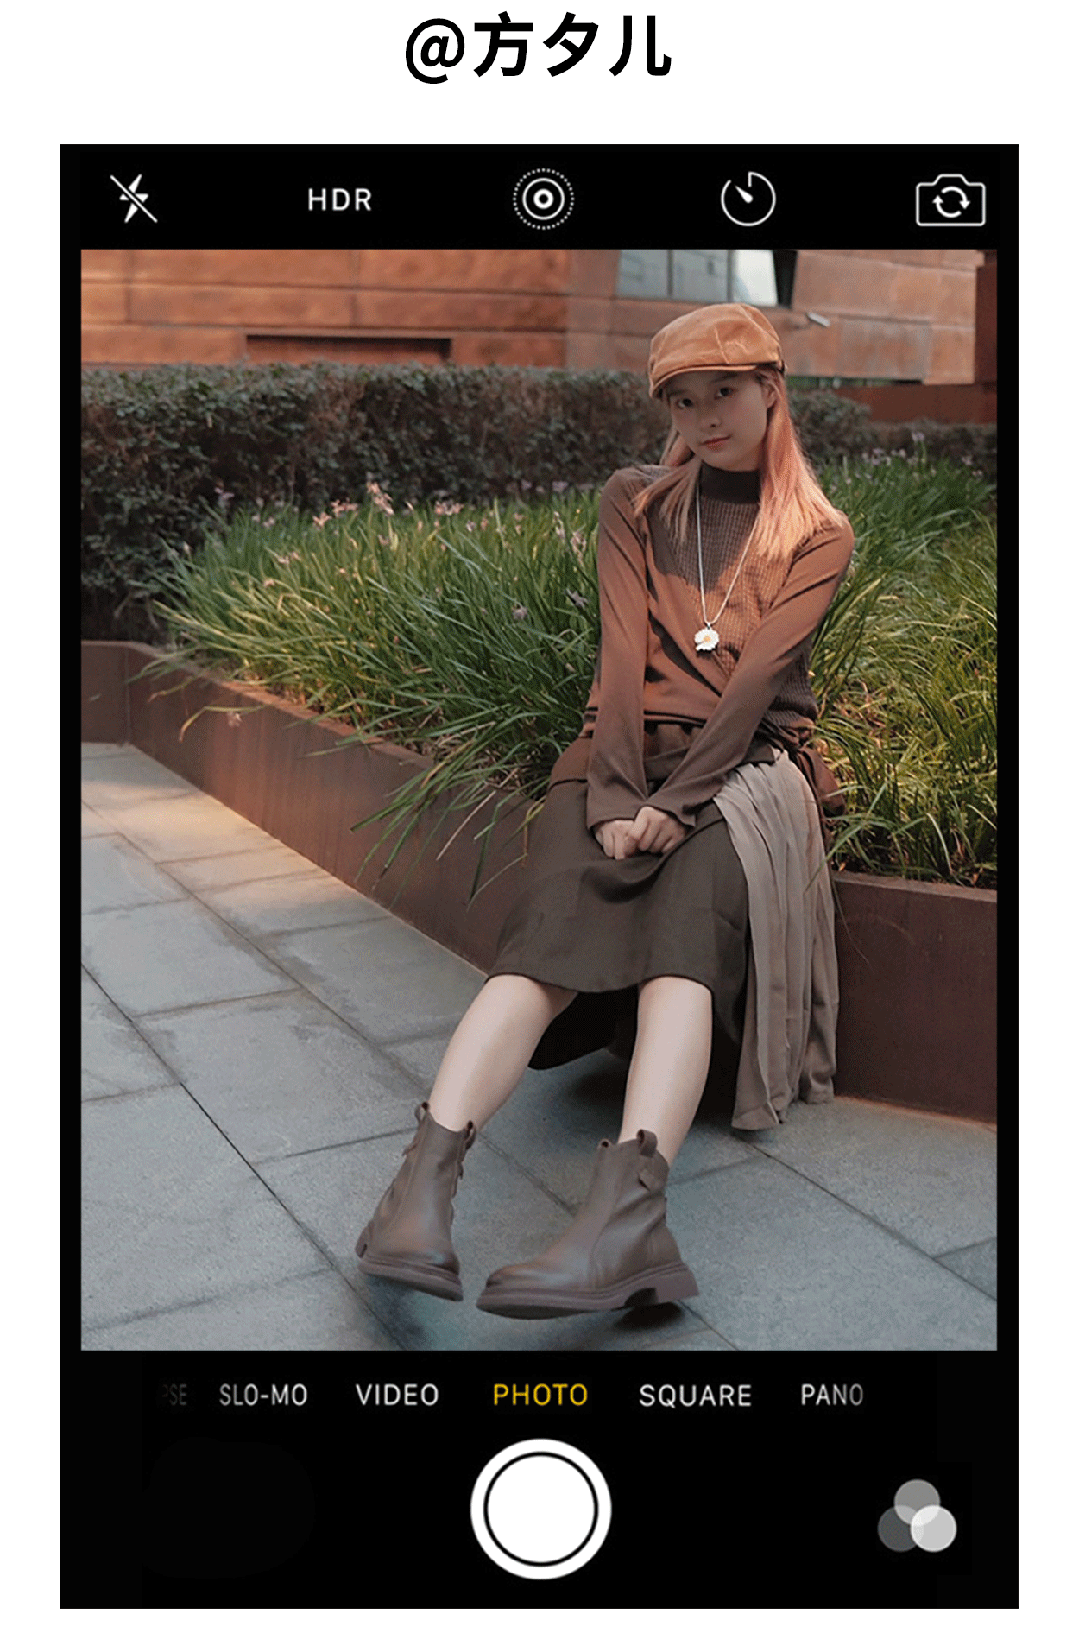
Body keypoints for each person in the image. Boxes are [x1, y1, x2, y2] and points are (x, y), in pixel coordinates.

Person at [355, 303, 854, 1319]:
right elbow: (618, 658)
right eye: (682, 399)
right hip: (615, 755)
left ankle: (627, 1222)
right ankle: (416, 1194)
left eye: (722, 392)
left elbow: (753, 689)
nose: (702, 416)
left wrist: (675, 805)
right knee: (540, 942)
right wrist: (617, 793)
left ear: (769, 389)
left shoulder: (816, 533)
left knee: (682, 945)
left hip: (740, 770)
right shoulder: (634, 500)